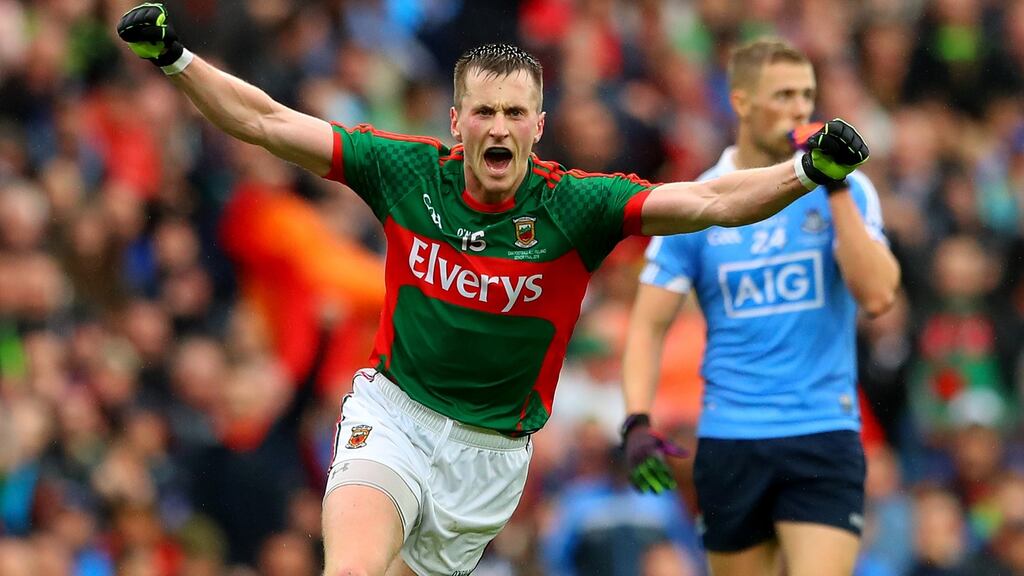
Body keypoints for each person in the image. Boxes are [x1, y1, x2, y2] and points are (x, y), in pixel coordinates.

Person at [115, 7, 870, 575]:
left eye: (514, 112)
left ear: (537, 125)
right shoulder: (405, 171)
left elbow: (709, 204)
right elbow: (268, 121)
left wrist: (806, 173)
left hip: (489, 462)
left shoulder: (580, 204)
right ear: (457, 121)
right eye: (484, 110)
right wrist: (177, 59)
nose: (498, 125)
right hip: (395, 417)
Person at [620, 39, 900, 576]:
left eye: (807, 95)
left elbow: (879, 295)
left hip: (823, 430)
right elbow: (648, 324)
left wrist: (832, 185)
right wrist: (636, 419)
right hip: (731, 437)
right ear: (742, 103)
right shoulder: (699, 198)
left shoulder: (851, 189)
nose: (800, 109)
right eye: (784, 95)